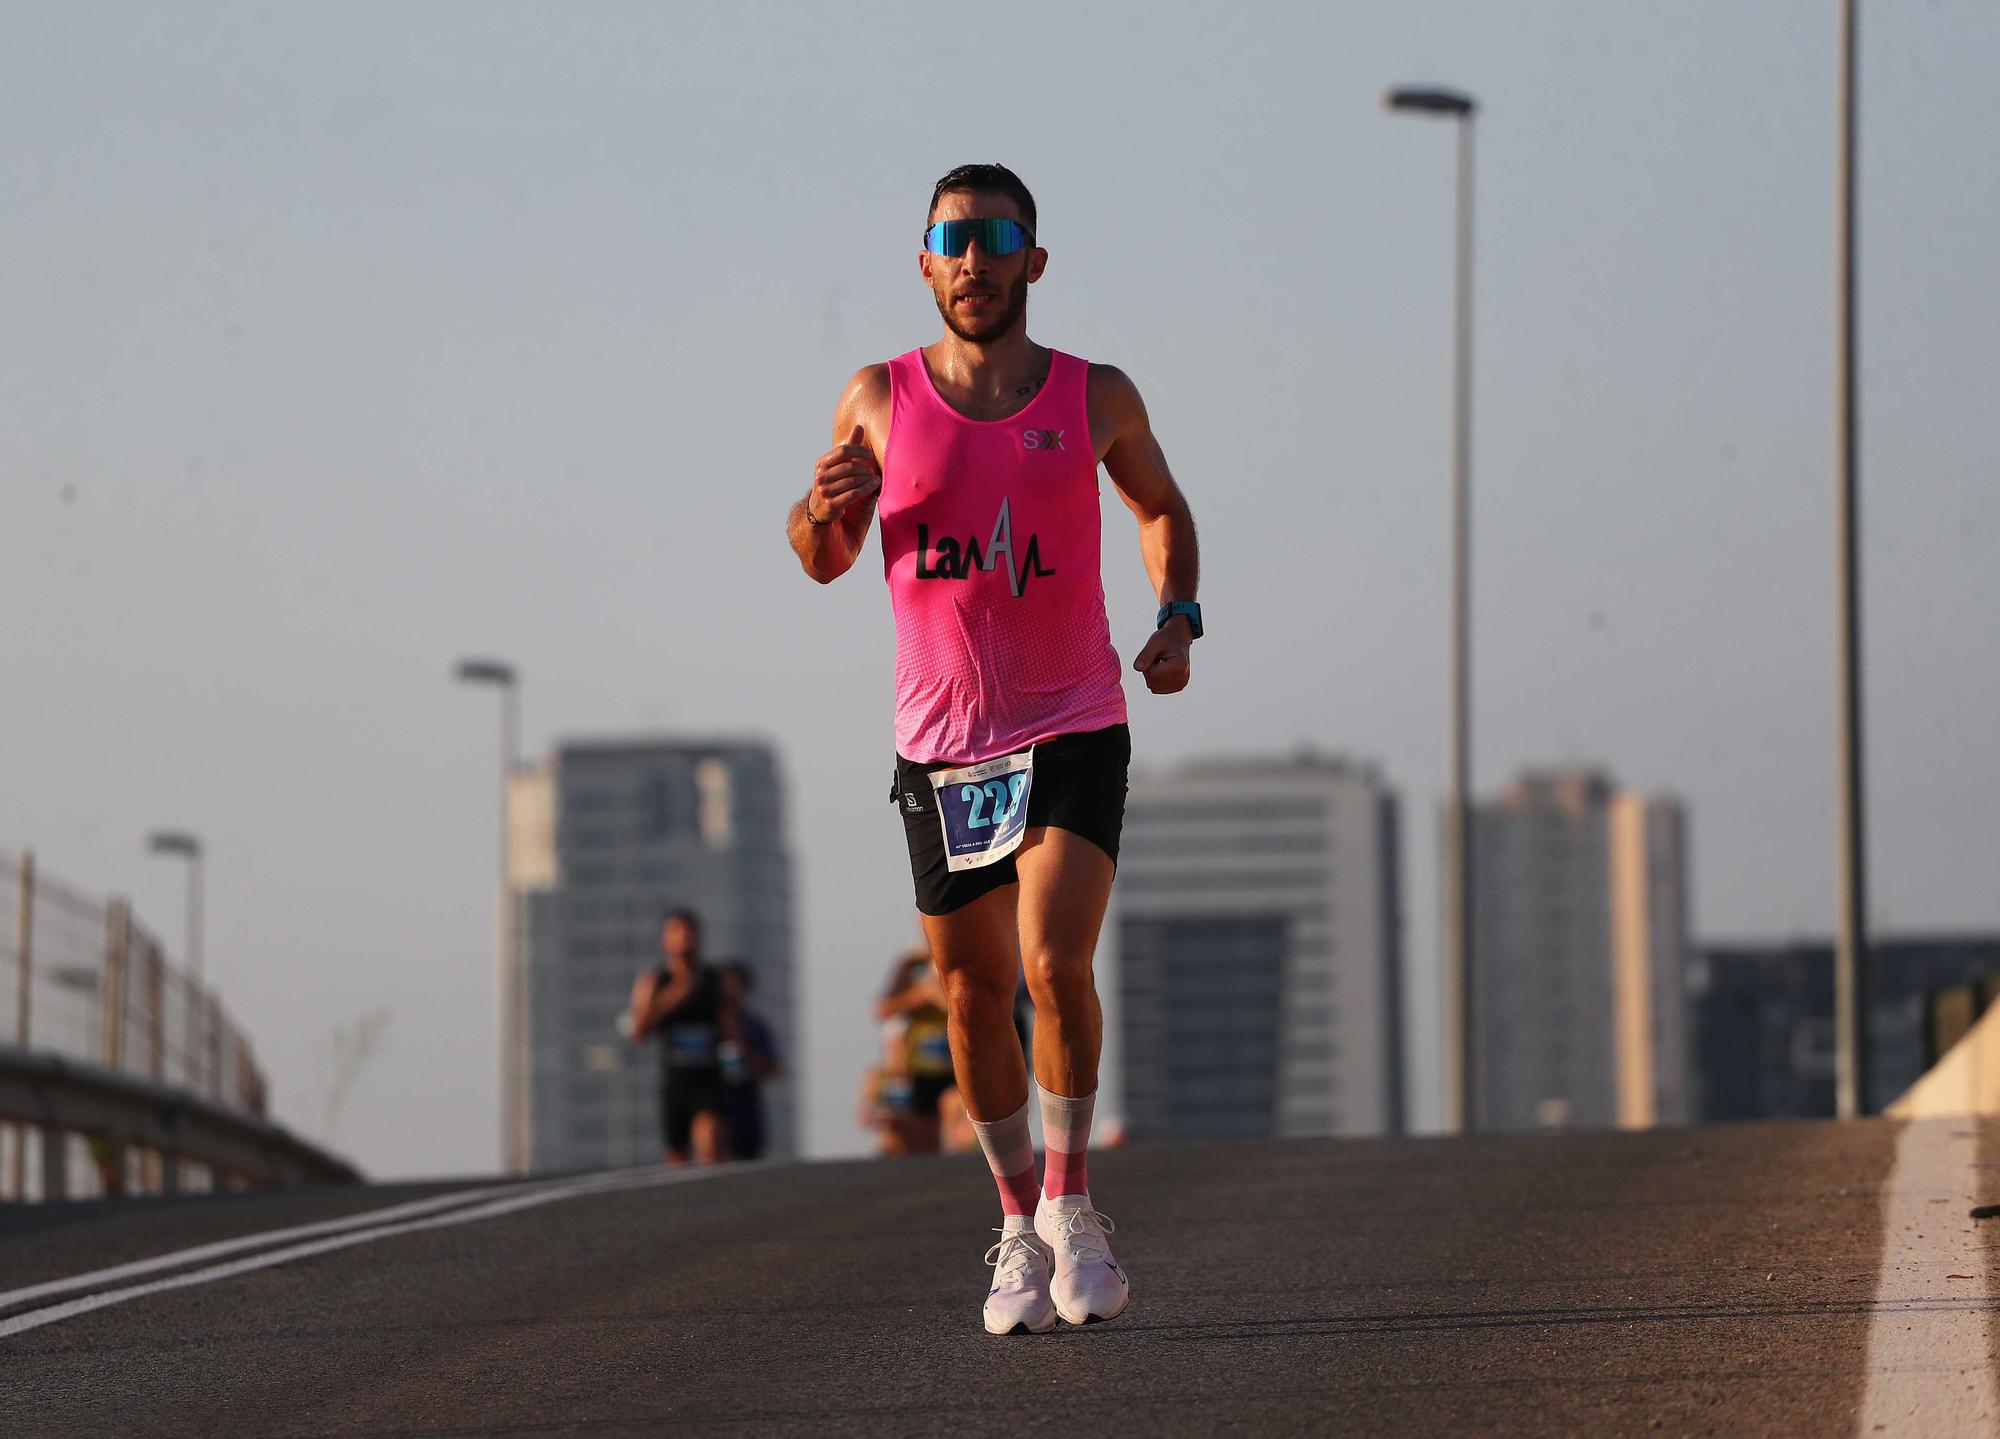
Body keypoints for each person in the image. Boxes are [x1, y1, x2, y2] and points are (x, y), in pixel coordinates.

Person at [786, 163, 1201, 1334]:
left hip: (1071, 716)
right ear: (924, 263)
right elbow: (821, 554)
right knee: (969, 994)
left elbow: (1160, 509)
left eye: (997, 234)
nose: (974, 258)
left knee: (1050, 962)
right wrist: (821, 506)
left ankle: (1072, 1206)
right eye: (952, 238)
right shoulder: (874, 399)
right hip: (941, 744)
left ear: (1034, 259)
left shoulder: (1092, 394)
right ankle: (1016, 1222)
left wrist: (1176, 615)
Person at [626, 908, 733, 1165]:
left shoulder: (714, 979)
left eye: (690, 930)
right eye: (677, 931)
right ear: (665, 939)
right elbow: (638, 1032)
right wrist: (673, 996)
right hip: (675, 1080)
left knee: (709, 1140)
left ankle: (718, 1194)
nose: (685, 936)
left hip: (709, 1078)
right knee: (677, 1158)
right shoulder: (653, 981)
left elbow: (731, 1025)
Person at [875, 950, 956, 1154]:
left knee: (960, 1126)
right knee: (922, 1138)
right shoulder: (911, 964)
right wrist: (918, 996)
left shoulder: (962, 954)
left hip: (957, 1064)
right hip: (922, 1067)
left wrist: (937, 996)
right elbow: (883, 1009)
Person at [718, 959, 781, 1161]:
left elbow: (774, 1069)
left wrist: (743, 1047)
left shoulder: (755, 1026)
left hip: (746, 1108)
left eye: (735, 985)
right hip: (716, 1105)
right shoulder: (708, 1026)